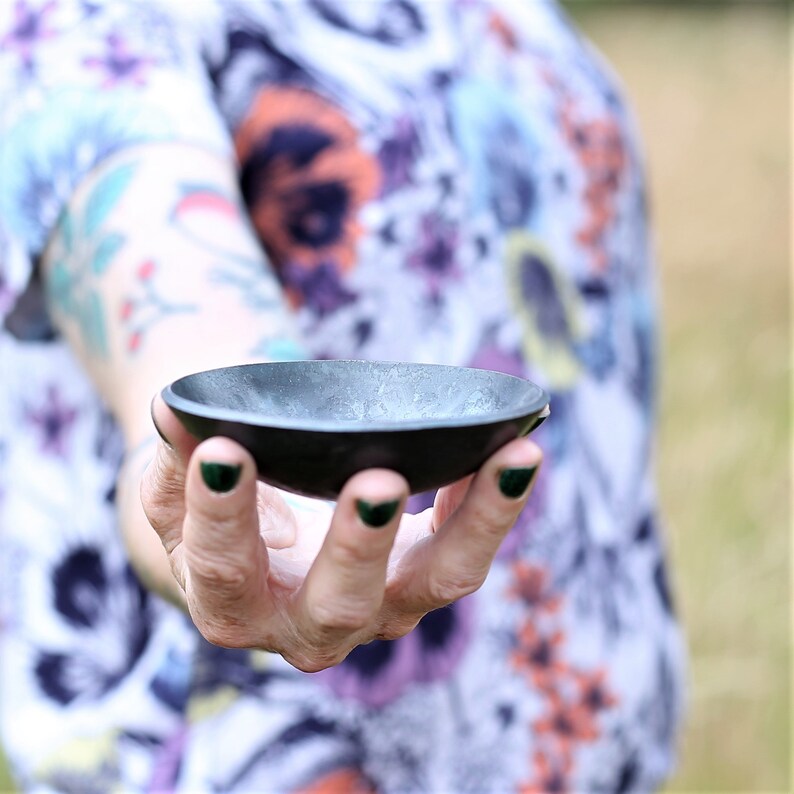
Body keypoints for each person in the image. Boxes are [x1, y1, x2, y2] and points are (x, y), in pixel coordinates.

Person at [0, 1, 685, 791]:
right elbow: (181, 315)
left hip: (576, 739)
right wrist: (247, 514)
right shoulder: (82, 25)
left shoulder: (516, 19)